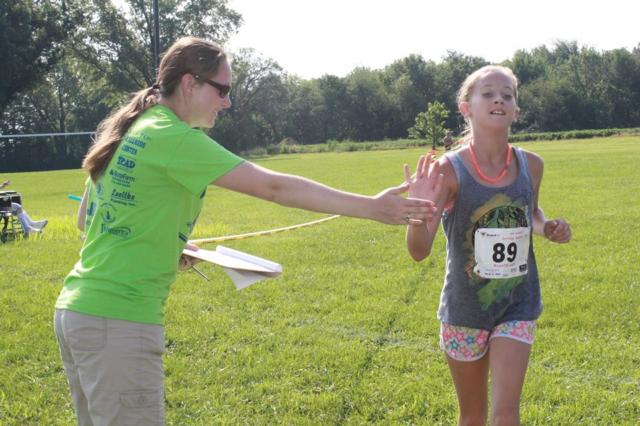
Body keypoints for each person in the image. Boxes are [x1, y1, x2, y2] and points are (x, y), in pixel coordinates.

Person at [53, 36, 438, 426]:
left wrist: (167, 245)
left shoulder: (135, 128)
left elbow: (89, 218)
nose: (228, 102)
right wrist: (371, 207)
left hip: (77, 311)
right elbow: (274, 187)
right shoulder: (173, 137)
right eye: (222, 90)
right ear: (190, 83)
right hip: (119, 318)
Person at [404, 65, 571, 426]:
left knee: (507, 413)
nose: (499, 99)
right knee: (473, 416)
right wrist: (418, 211)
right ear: (466, 107)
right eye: (488, 93)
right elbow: (419, 250)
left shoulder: (532, 165)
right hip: (465, 311)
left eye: (507, 95)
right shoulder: (447, 172)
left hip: (518, 303)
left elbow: (533, 214)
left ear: (516, 110)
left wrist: (548, 227)